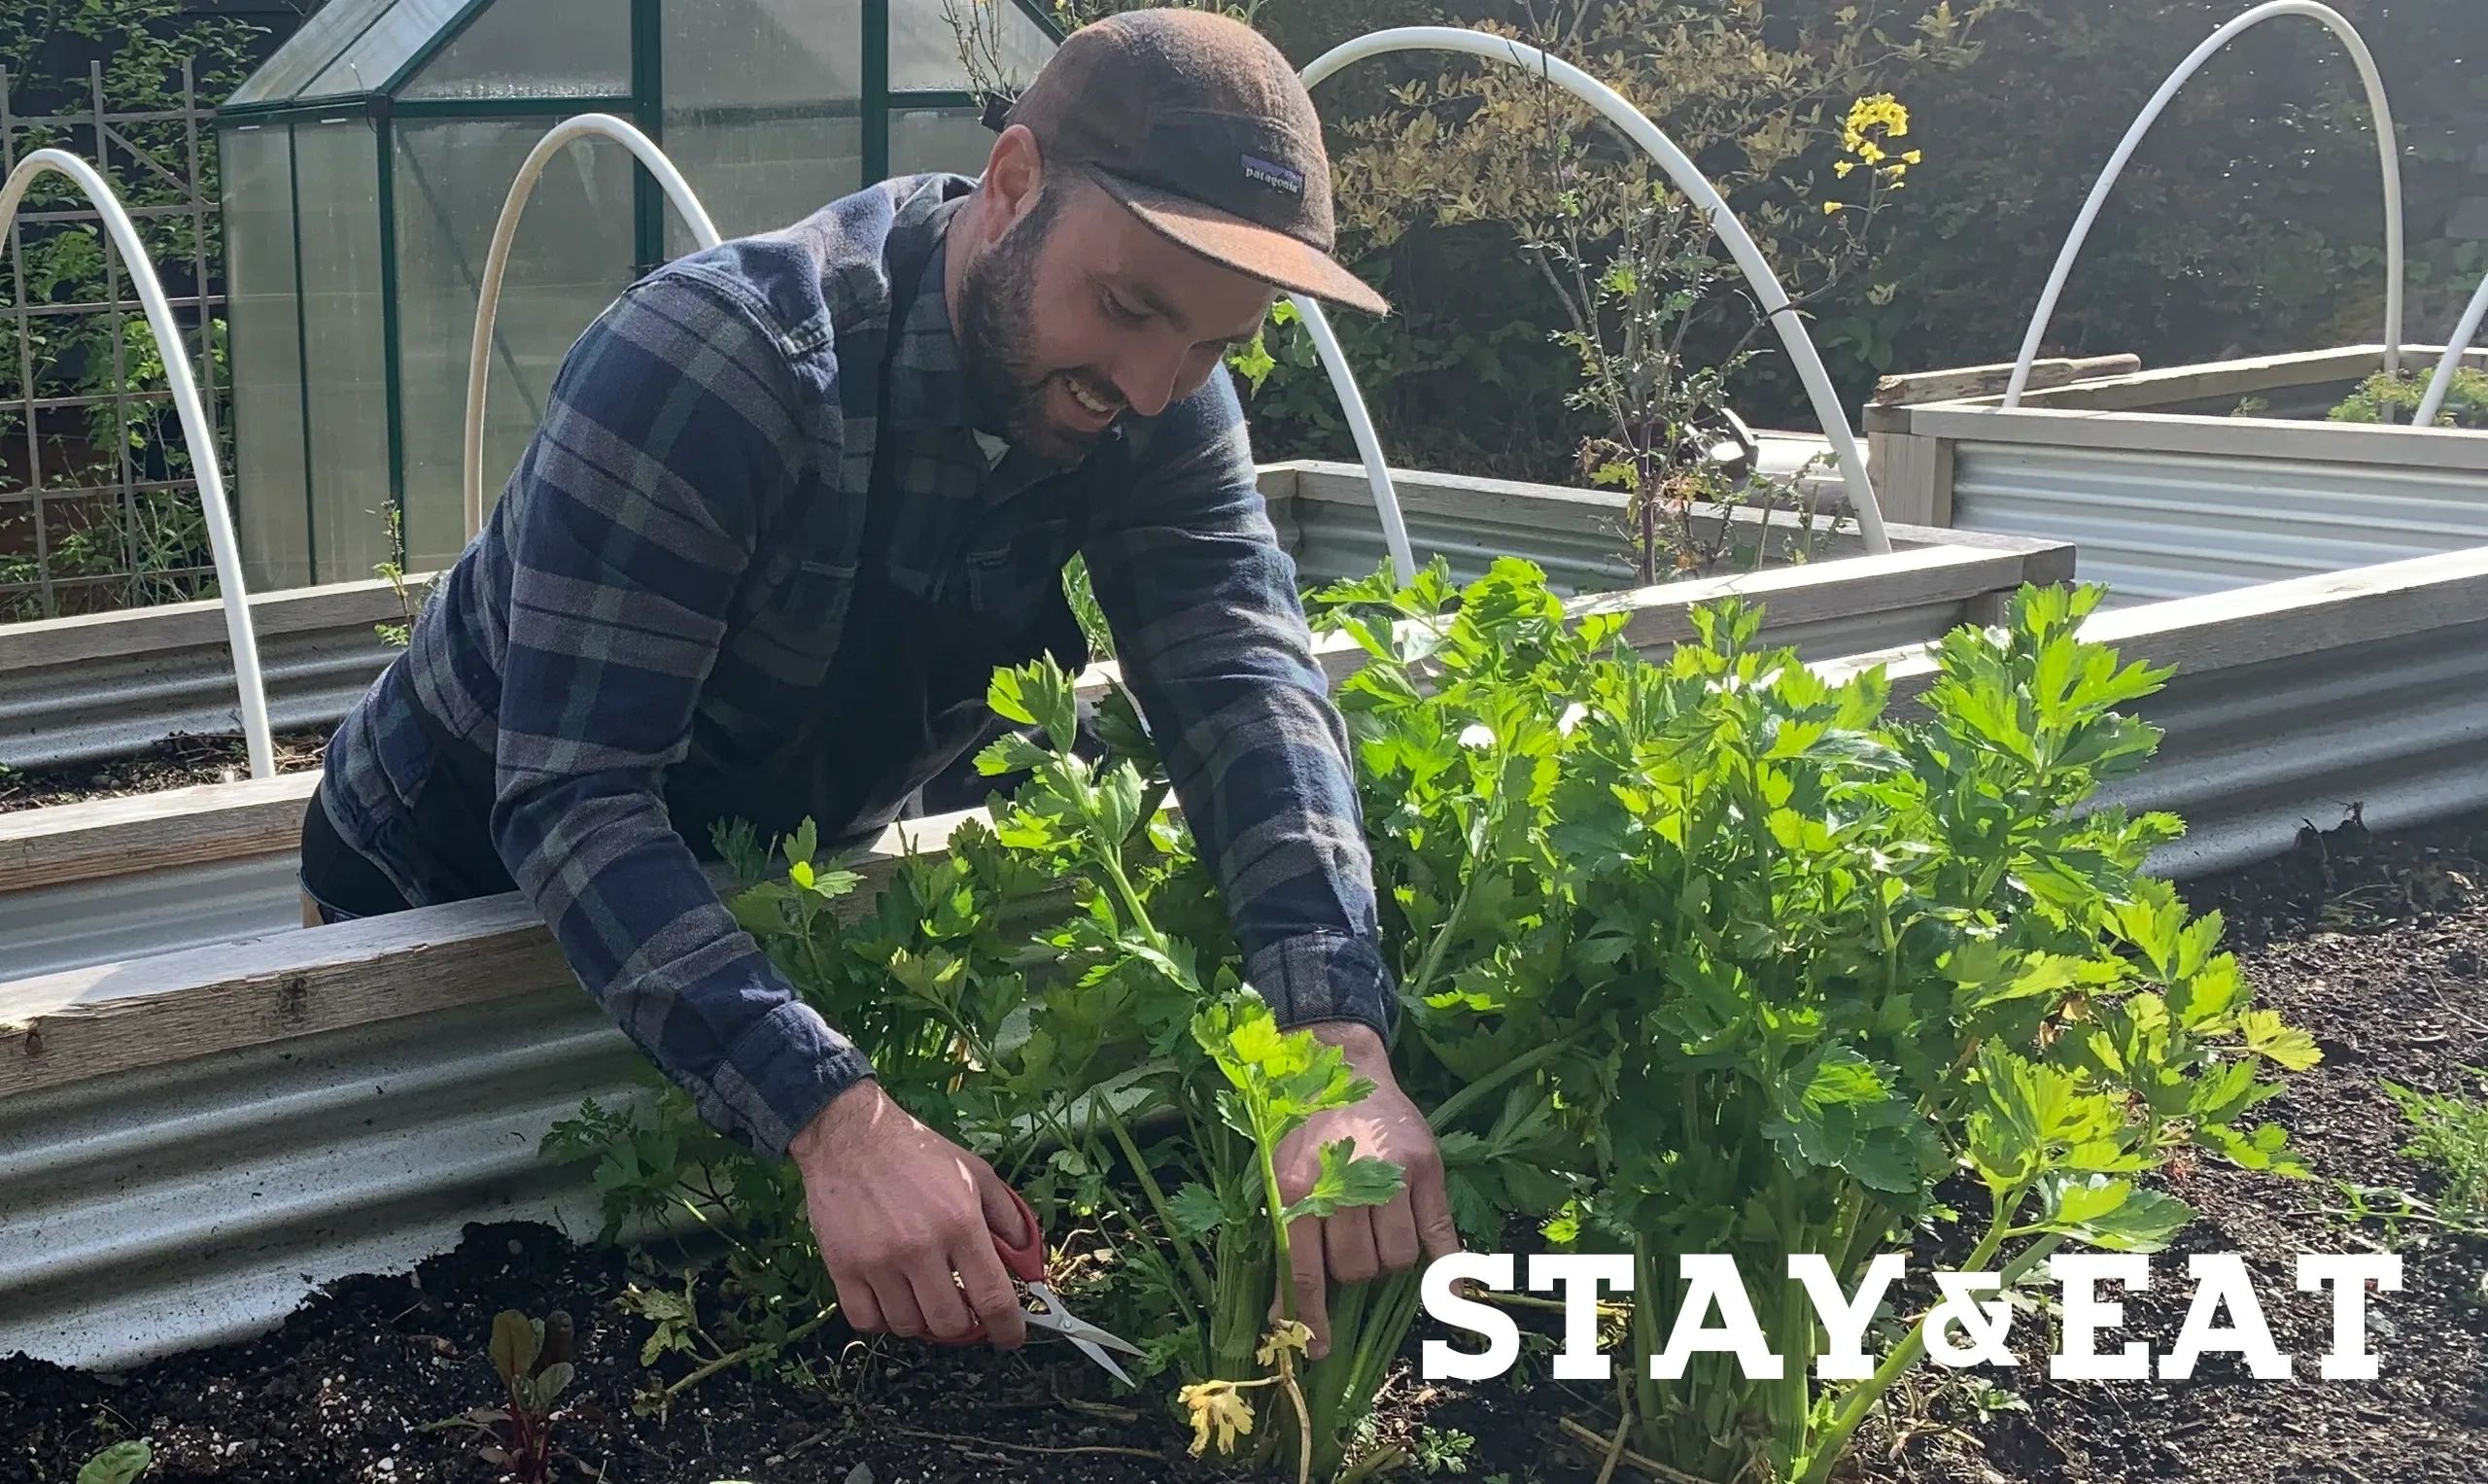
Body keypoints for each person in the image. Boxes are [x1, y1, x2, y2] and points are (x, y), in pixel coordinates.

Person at [294, 9, 1455, 1360]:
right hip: (437, 892)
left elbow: (1243, 677)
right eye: (1132, 305)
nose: (1152, 383)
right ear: (1012, 181)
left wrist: (1333, 1039)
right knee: (429, 1307)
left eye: (1213, 344)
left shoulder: (1157, 404)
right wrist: (837, 1117)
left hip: (731, 896)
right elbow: (573, 801)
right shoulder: (720, 366)